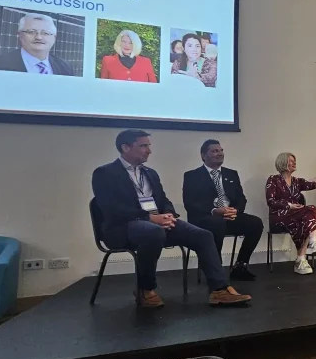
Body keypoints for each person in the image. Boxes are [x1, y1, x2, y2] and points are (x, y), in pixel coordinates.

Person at [90, 130, 251, 308]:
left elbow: (163, 200)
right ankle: (145, 289)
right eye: (143, 146)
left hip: (156, 223)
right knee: (153, 232)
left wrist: (168, 214)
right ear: (125, 147)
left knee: (203, 235)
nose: (149, 150)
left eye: (148, 146)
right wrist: (150, 218)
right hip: (121, 227)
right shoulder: (105, 173)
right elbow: (111, 208)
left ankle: (219, 289)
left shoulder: (150, 173)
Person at [182, 140, 266, 281]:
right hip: (205, 218)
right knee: (217, 223)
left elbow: (241, 198)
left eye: (221, 150)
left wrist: (235, 211)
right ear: (204, 155)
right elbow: (190, 203)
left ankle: (240, 265)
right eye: (215, 151)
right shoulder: (192, 176)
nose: (220, 153)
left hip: (228, 216)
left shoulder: (231, 174)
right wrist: (215, 210)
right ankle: (215, 269)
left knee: (255, 223)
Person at [266, 152, 316, 275]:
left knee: (310, 210)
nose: (294, 163)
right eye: (291, 161)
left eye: (294, 160)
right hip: (279, 217)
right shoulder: (273, 180)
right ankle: (302, 258)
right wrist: (289, 205)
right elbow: (270, 201)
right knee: (305, 221)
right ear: (283, 162)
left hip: (295, 217)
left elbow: (309, 184)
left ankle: (308, 250)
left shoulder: (297, 181)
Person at [0, 13, 76, 76]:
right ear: (20, 35)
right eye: (31, 32)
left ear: (54, 38)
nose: (39, 37)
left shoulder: (65, 67)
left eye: (45, 33)